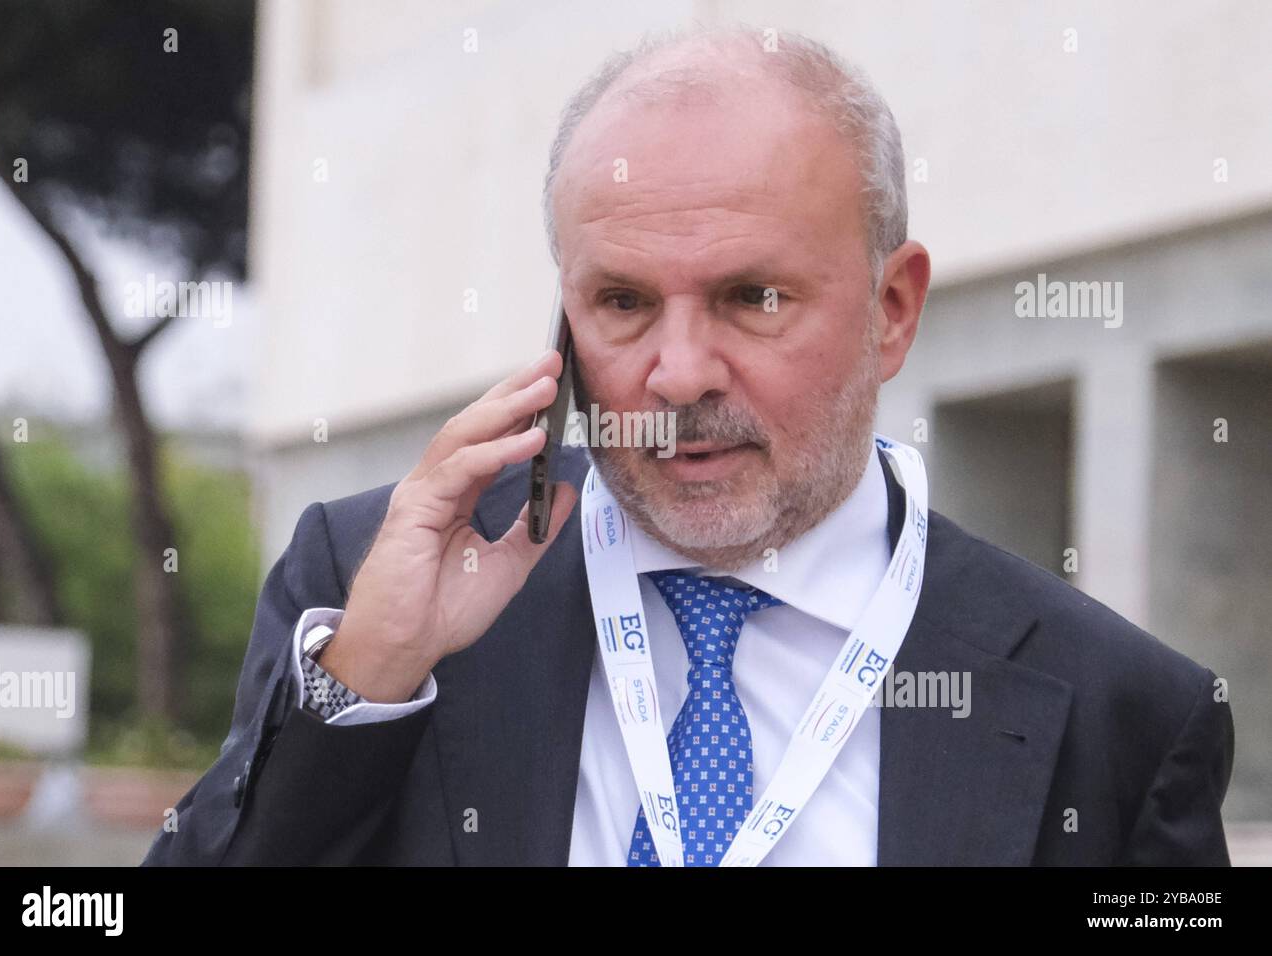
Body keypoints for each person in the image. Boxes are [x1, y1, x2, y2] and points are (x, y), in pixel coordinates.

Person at [144, 25, 1233, 866]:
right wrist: (364, 687)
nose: (677, 372)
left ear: (891, 309)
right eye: (620, 300)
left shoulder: (1118, 712)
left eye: (751, 297)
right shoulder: (376, 585)